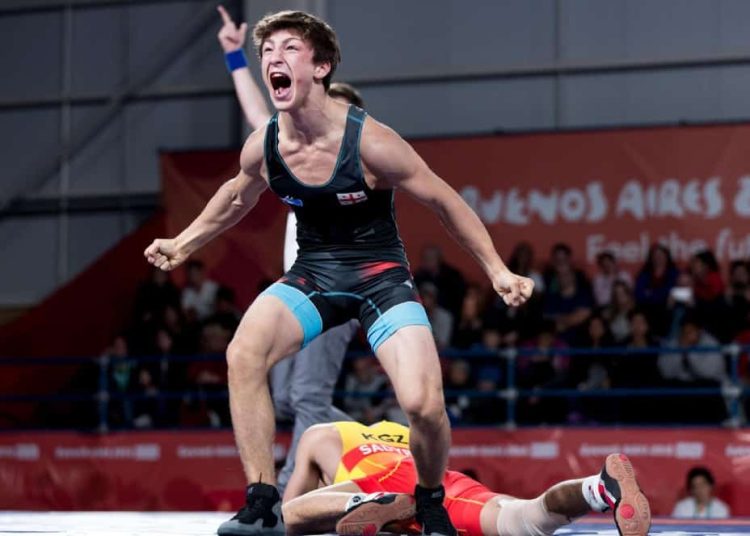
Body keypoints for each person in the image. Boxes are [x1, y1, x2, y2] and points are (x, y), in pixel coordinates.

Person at [145, 10, 533, 536]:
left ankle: (429, 499)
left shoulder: (372, 142)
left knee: (423, 405)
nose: (274, 58)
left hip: (380, 279)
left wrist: (497, 269)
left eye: (289, 49)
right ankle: (263, 500)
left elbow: (444, 201)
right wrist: (183, 243)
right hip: (314, 277)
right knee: (243, 354)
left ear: (322, 66)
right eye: (267, 51)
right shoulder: (266, 144)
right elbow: (236, 196)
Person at [217, 4, 360, 495]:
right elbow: (258, 116)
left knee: (307, 396)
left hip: (336, 291)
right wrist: (235, 57)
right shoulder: (293, 152)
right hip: (297, 291)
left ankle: (286, 491)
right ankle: (381, 439)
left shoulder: (358, 162)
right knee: (282, 397)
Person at [279, 419, 651, 536]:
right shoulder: (396, 432)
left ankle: (371, 503)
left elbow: (287, 514)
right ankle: (598, 488)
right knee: (525, 518)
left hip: (379, 480)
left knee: (291, 514)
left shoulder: (322, 435)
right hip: (434, 480)